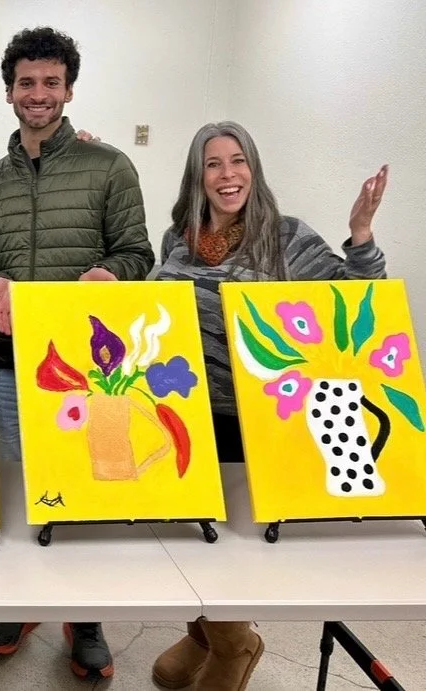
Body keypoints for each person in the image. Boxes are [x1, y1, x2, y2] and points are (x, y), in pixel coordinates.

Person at [152, 121, 387, 691]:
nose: (227, 175)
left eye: (237, 162)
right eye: (213, 164)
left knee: (232, 544)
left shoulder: (286, 237)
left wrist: (360, 234)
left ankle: (236, 646)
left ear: (253, 169)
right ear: (197, 174)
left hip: (254, 418)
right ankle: (203, 635)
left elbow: (356, 297)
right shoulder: (177, 238)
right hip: (186, 410)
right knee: (193, 531)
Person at [0, 27, 155, 680]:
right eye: (25, 83)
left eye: (50, 82)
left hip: (92, 372)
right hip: (11, 368)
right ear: (9, 90)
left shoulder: (110, 168)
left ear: (69, 88)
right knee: (18, 494)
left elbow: (138, 250)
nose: (37, 94)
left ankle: (86, 615)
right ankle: (22, 600)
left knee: (85, 494)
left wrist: (114, 274)